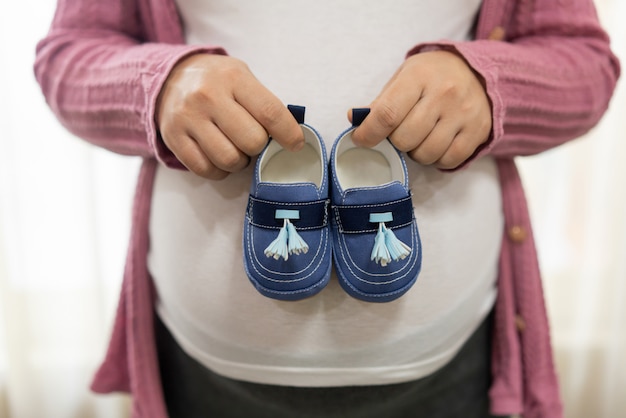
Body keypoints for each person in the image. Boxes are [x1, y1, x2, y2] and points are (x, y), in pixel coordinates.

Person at [34, 0, 620, 417]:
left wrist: (493, 86)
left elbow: (587, 65)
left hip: (452, 360)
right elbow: (67, 57)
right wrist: (159, 86)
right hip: (202, 370)